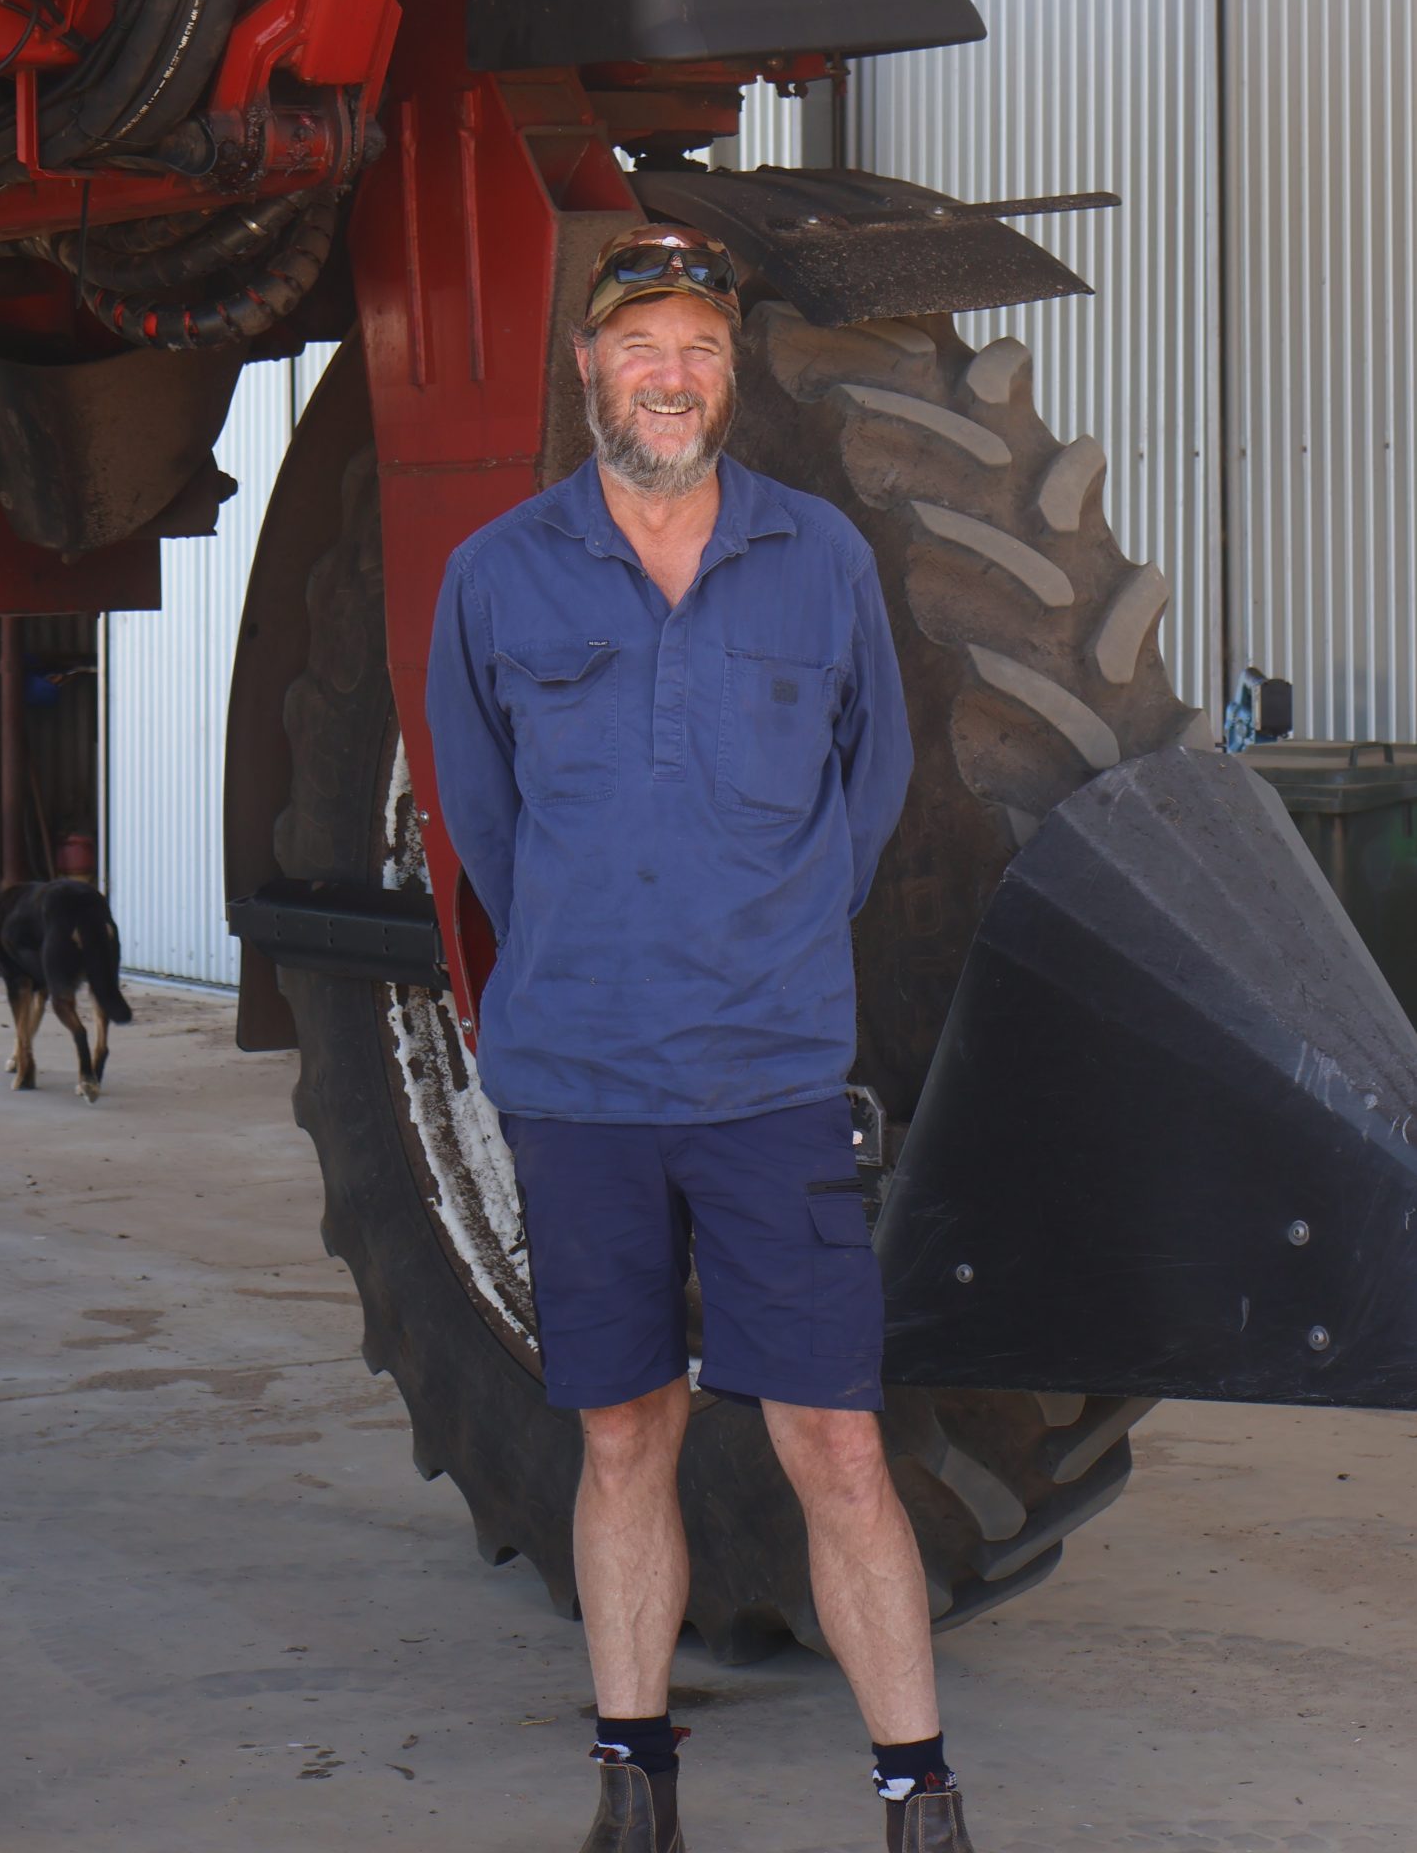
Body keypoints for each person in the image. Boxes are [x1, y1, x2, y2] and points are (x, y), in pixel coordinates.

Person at [426, 222, 978, 1853]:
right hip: (583, 1086)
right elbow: (485, 821)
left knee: (834, 1440)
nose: (670, 376)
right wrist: (604, 952)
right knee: (622, 1430)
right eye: (640, 347)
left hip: (769, 1079)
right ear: (588, 367)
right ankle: (634, 1780)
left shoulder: (819, 561)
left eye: (700, 350)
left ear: (728, 375)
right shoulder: (497, 575)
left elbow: (867, 794)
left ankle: (917, 1795)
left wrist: (758, 939)